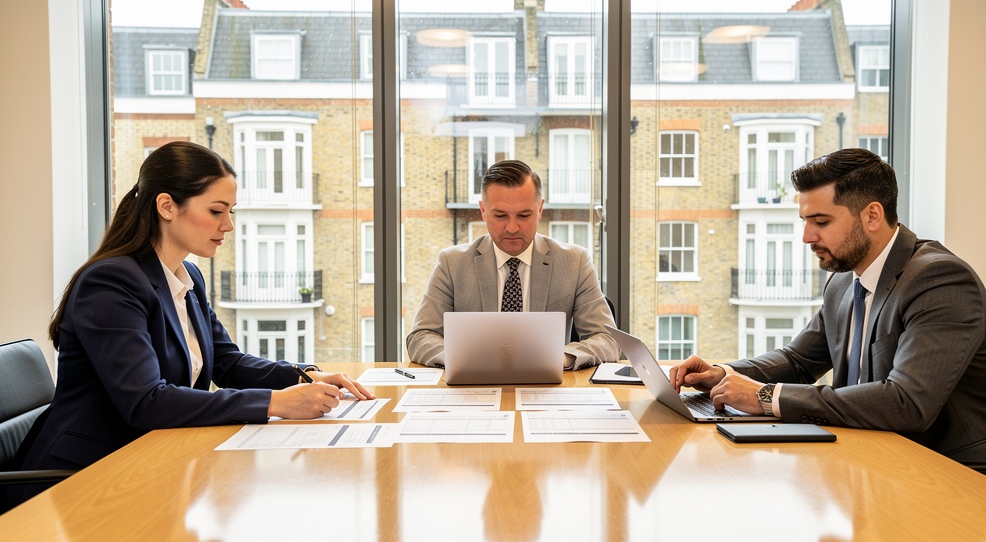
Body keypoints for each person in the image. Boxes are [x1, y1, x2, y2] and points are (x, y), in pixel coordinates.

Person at [13, 141, 374, 479]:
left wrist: (301, 377)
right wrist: (276, 403)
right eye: (216, 211)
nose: (228, 225)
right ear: (167, 206)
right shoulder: (110, 283)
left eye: (230, 212)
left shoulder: (188, 278)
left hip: (154, 460)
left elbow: (227, 363)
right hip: (89, 474)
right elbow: (146, 402)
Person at [670, 148, 986, 466]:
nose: (807, 237)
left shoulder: (940, 280)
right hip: (875, 458)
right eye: (805, 222)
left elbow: (906, 402)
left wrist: (764, 396)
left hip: (959, 475)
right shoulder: (844, 281)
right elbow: (798, 361)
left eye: (821, 222)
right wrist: (723, 374)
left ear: (872, 216)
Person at [407, 159, 617, 370]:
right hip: (474, 386)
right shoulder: (452, 264)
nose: (512, 227)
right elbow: (420, 336)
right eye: (500, 215)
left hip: (547, 388)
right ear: (483, 211)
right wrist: (463, 359)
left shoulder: (574, 262)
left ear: (540, 209)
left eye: (524, 215)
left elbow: (608, 339)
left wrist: (562, 357)